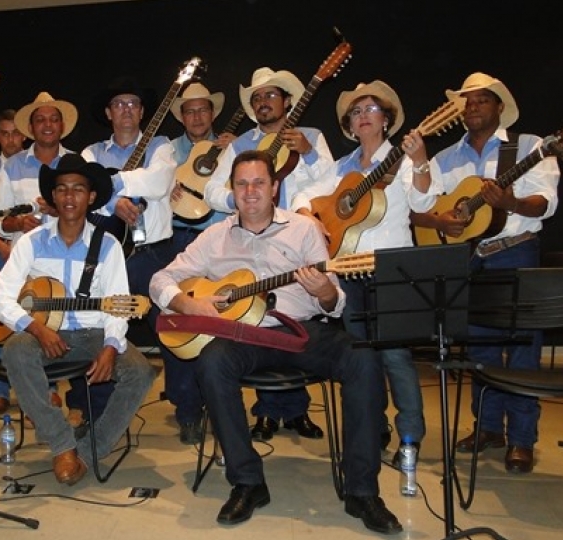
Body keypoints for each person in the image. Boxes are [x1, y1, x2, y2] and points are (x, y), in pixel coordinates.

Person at [150, 151, 401, 533]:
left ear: (275, 188)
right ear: (232, 191)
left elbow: (335, 304)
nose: (250, 191)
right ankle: (247, 482)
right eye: (242, 184)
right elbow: (160, 280)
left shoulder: (303, 230)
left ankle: (362, 491)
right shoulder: (213, 237)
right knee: (212, 362)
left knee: (363, 359)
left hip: (301, 331)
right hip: (243, 336)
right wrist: (189, 302)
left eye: (259, 183)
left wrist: (324, 293)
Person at [413, 72, 559, 473]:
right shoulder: (445, 158)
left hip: (515, 251)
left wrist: (510, 202)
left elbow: (544, 203)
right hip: (469, 258)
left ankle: (522, 439)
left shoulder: (528, 147)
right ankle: (489, 427)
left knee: (523, 348)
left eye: (481, 100)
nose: (472, 106)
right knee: (479, 349)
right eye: (467, 101)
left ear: (499, 107)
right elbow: (418, 206)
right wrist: (441, 222)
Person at [0, 154, 156, 485]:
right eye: (62, 189)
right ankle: (62, 443)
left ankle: (89, 448)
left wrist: (110, 346)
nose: (69, 197)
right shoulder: (31, 243)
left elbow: (119, 306)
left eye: (78, 189)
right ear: (53, 196)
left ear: (91, 197)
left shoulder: (107, 245)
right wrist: (35, 327)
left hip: (92, 332)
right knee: (15, 351)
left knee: (140, 372)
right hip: (42, 334)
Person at [293, 80, 436, 461]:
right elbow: (302, 196)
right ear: (349, 125)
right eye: (356, 112)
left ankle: (410, 435)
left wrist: (421, 160)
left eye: (371, 109)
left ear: (387, 120)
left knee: (395, 356)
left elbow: (424, 197)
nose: (363, 116)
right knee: (363, 358)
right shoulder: (342, 168)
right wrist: (312, 218)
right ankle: (374, 428)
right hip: (350, 273)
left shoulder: (403, 160)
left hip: (392, 269)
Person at [204, 67, 331, 442]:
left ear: (288, 101)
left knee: (295, 318)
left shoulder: (311, 137)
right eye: (257, 98)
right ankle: (271, 413)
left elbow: (331, 179)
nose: (263, 102)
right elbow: (212, 189)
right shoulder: (240, 144)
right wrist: (243, 200)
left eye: (270, 96)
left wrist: (306, 155)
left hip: (299, 239)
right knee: (258, 317)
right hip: (254, 239)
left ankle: (290, 411)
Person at [80, 76, 176, 429]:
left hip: (153, 254)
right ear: (108, 113)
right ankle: (96, 410)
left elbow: (160, 181)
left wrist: (112, 185)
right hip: (109, 256)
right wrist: (112, 204)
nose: (126, 110)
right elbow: (85, 193)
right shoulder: (91, 153)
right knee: (100, 326)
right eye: (118, 104)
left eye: (132, 104)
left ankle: (187, 406)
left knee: (170, 329)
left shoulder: (162, 145)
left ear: (142, 112)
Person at [159, 82, 234, 444]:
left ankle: (217, 401)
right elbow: (147, 190)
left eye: (203, 109)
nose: (197, 116)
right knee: (178, 324)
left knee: (218, 321)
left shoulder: (232, 145)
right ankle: (187, 407)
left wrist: (234, 150)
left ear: (213, 113)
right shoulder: (168, 151)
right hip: (176, 239)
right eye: (189, 111)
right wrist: (165, 192)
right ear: (181, 116)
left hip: (218, 243)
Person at [0, 105, 58, 415]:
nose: (11, 140)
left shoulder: (61, 161)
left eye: (15, 134)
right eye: (5, 134)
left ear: (24, 135)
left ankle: (47, 386)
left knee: (43, 319)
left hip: (41, 258)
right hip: (4, 254)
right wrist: (1, 246)